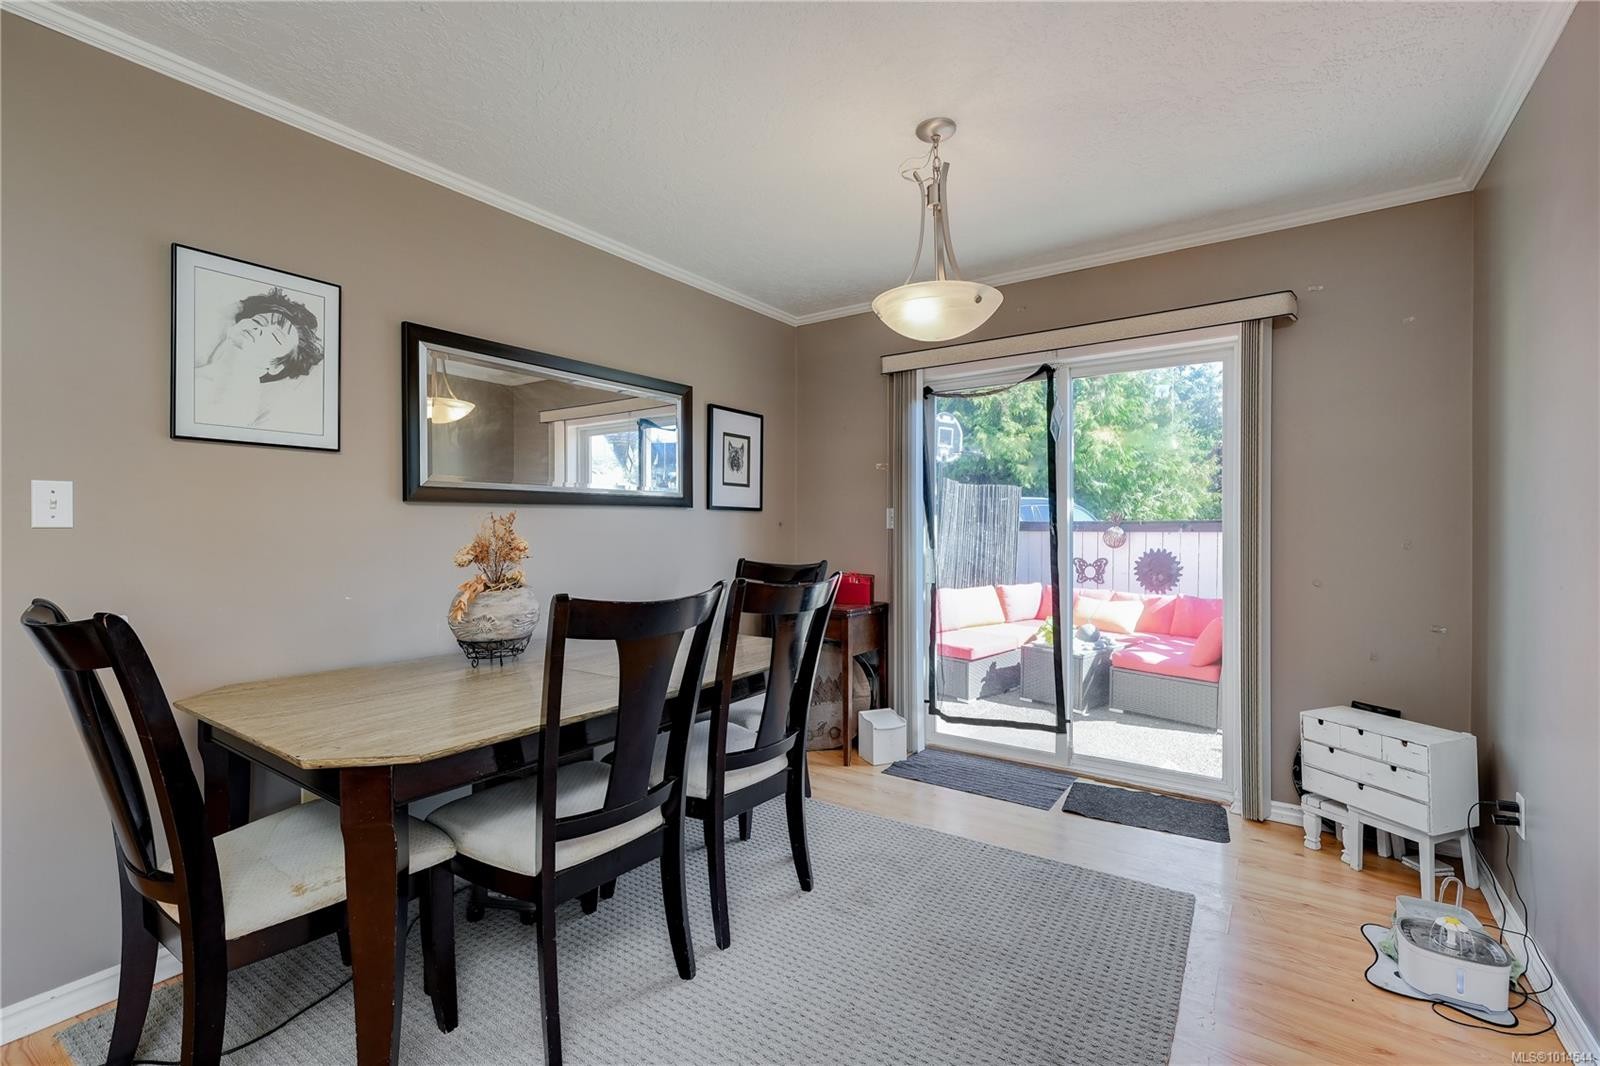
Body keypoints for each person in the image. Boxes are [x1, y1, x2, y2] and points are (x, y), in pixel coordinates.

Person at [193, 287, 324, 433]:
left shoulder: (239, 401)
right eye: (258, 321)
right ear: (238, 324)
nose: (259, 329)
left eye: (276, 337)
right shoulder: (200, 363)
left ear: (275, 366)